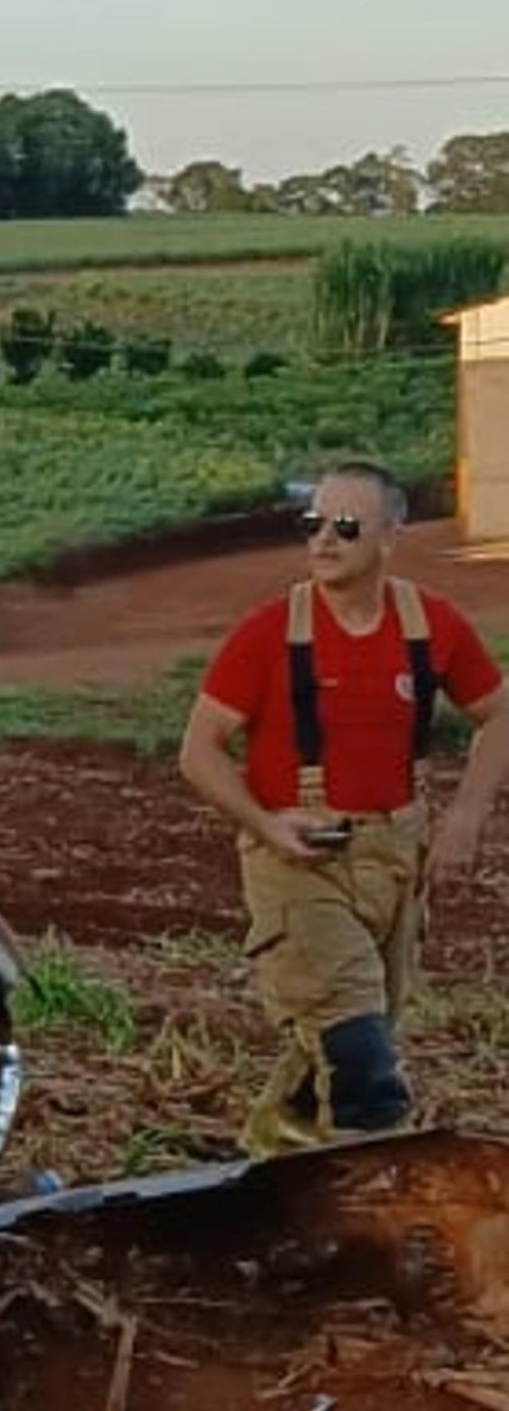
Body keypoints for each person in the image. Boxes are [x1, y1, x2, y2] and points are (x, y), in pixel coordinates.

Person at [180, 459, 509, 1153]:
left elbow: (498, 713)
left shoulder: (430, 624)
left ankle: (270, 1161)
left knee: (340, 1036)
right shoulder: (269, 633)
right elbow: (199, 749)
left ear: (389, 536)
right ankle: (377, 1224)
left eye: (345, 526)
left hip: (394, 858)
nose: (323, 539)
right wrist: (265, 823)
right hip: (297, 864)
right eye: (313, 523)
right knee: (360, 1056)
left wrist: (466, 814)